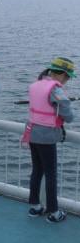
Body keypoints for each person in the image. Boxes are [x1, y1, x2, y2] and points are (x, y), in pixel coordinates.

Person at [22, 57, 75, 223]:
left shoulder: (36, 84)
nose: (66, 81)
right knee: (51, 174)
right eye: (67, 77)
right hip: (46, 138)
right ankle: (53, 212)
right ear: (61, 75)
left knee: (37, 171)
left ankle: (36, 206)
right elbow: (68, 114)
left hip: (32, 134)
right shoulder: (55, 89)